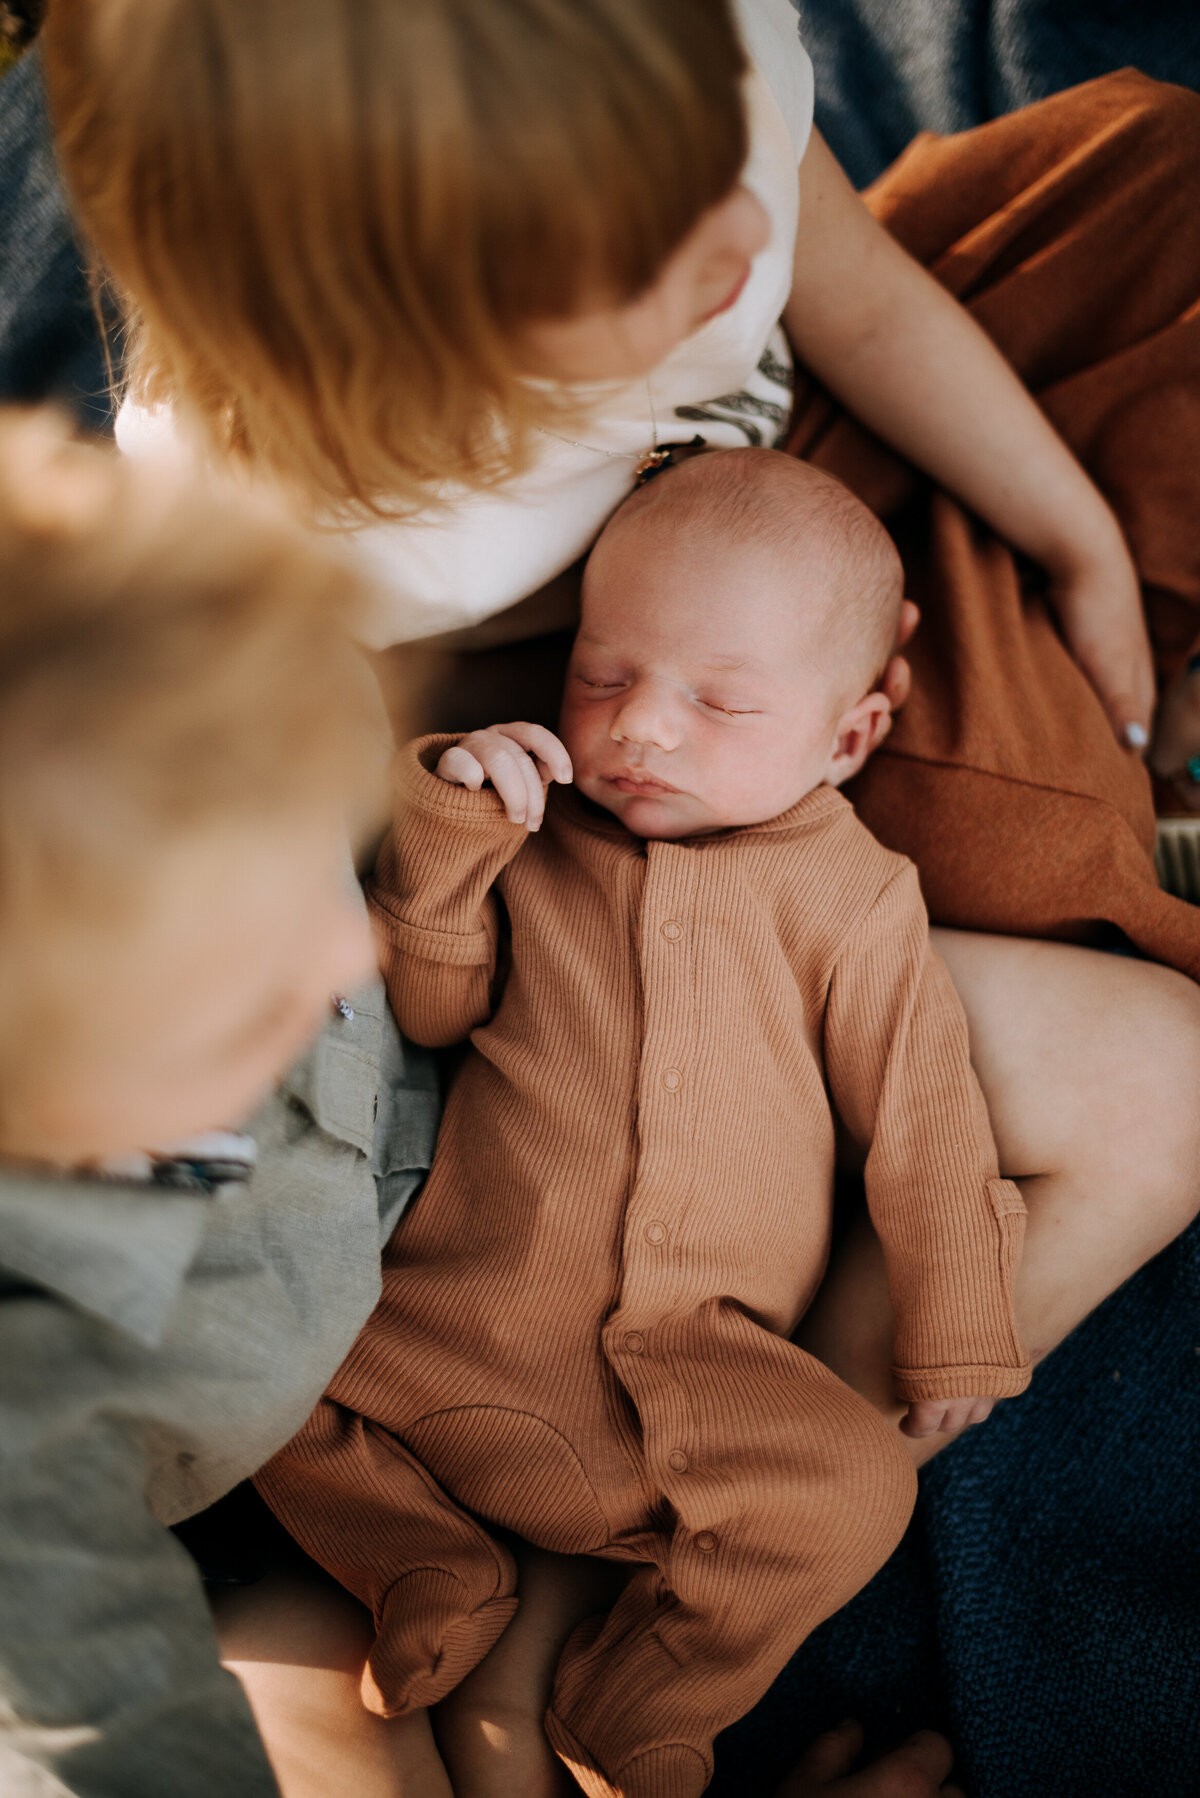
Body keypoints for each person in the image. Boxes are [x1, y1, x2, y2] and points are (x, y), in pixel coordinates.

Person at [36, 0, 1200, 1790]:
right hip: (471, 1086)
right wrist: (465, 827)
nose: (739, 247)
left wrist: (1070, 534)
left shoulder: (687, 76)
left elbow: (834, 263)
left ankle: (659, 1575)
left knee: (1158, 1080)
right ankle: (553, 1623)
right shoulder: (286, 534)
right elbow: (371, 883)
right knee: (352, 1671)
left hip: (639, 899)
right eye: (650, 258)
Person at [258, 450, 1033, 1798]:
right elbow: (433, 1010)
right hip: (437, 1331)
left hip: (692, 1380)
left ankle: (648, 1692)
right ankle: (423, 1564)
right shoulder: (539, 833)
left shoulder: (851, 895)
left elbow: (924, 1115)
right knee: (248, 1369)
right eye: (604, 675)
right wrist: (449, 836)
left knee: (856, 1490)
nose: (643, 729)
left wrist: (955, 1306)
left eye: (720, 700)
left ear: (847, 738)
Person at [0, 411, 442, 1797]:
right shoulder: (18, 1470)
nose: (351, 952)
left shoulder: (206, 714)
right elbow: (135, 1747)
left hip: (401, 1216)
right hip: (222, 1510)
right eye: (259, 997)